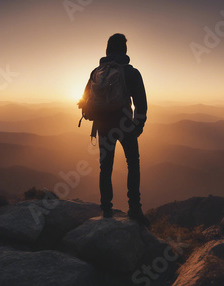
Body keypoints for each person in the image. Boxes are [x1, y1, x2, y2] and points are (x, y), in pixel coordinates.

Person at [81, 33, 149, 227]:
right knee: (132, 164)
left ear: (107, 50)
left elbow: (86, 99)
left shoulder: (96, 71)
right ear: (125, 50)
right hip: (126, 124)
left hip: (103, 124)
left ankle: (106, 209)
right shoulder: (131, 72)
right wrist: (138, 125)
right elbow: (141, 103)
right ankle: (134, 209)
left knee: (106, 167)